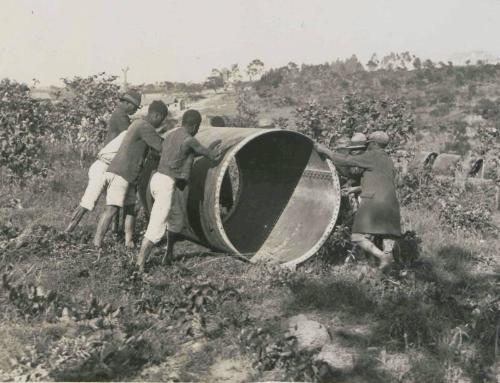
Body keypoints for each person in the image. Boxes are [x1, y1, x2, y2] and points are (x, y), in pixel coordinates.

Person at [136, 109, 223, 272]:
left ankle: (168, 254)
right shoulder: (190, 140)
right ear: (195, 126)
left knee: (176, 219)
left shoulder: (171, 134)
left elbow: (180, 154)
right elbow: (209, 154)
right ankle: (139, 266)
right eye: (197, 128)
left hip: (156, 179)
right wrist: (216, 149)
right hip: (166, 184)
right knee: (156, 227)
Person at [315, 131, 402, 269]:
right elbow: (378, 181)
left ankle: (382, 257)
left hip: (374, 201)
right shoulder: (387, 159)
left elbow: (345, 161)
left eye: (369, 144)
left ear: (373, 144)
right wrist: (355, 189)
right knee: (387, 234)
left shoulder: (372, 155)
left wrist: (325, 150)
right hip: (390, 203)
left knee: (357, 236)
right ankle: (390, 267)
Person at [93, 100, 168, 249]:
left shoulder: (137, 123)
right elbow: (161, 147)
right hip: (122, 172)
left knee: (130, 209)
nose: (160, 123)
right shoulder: (145, 127)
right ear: (156, 115)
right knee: (112, 209)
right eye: (161, 120)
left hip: (129, 174)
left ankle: (128, 242)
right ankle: (96, 243)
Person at [65, 129, 128, 233]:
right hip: (102, 166)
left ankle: (115, 232)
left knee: (114, 203)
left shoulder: (130, 131)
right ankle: (68, 231)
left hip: (113, 168)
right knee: (88, 201)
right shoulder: (130, 132)